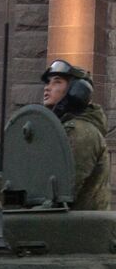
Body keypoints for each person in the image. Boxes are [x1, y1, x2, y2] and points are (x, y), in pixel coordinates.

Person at [41, 59, 111, 211]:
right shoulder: (64, 128)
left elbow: (62, 192)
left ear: (76, 91)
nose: (47, 88)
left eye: (57, 82)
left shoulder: (80, 131)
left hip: (80, 231)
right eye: (48, 83)